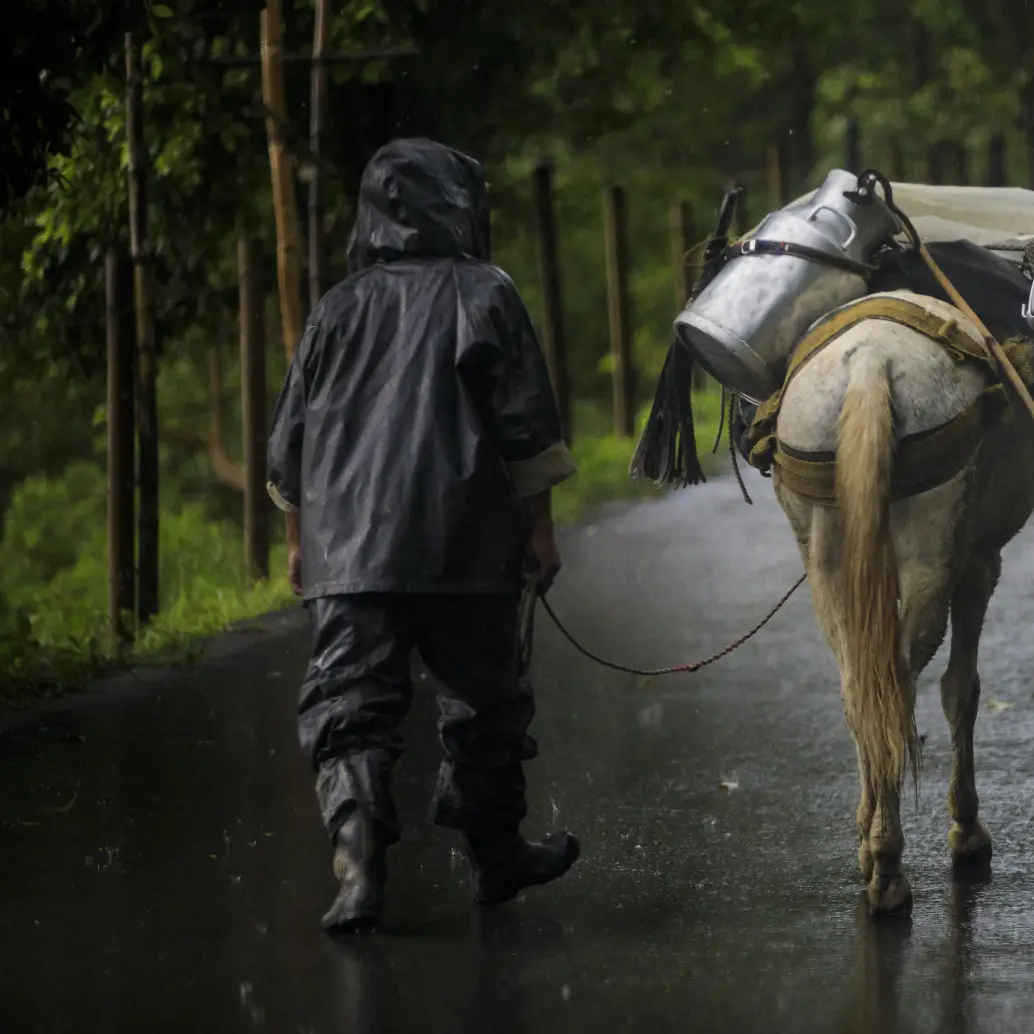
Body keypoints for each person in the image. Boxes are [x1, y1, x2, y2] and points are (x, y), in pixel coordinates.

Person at [266, 138, 581, 935]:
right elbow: (524, 425)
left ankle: (357, 872)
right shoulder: (487, 293)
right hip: (463, 538)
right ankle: (495, 854)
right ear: (462, 206)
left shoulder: (337, 307)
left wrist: (302, 543)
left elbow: (291, 444)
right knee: (485, 699)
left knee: (348, 707)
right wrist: (539, 532)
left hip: (347, 549)